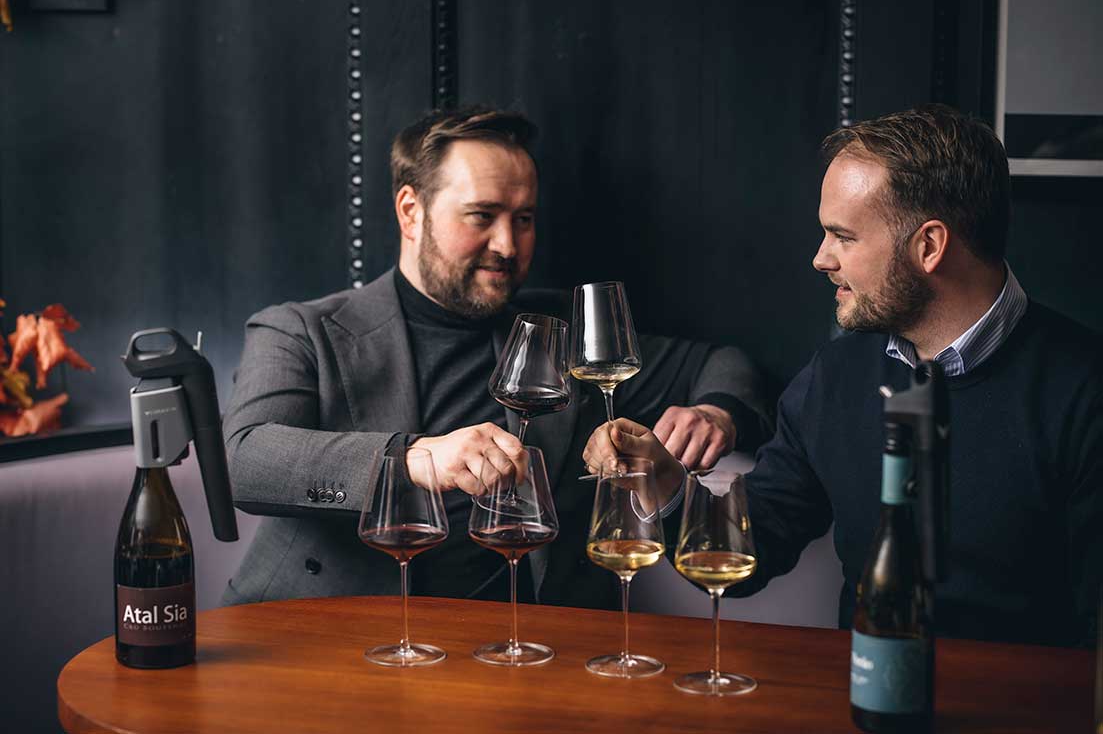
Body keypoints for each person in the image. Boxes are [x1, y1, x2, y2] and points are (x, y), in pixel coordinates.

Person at [585, 105, 1102, 646]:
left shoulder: (1086, 392)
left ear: (929, 246)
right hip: (863, 701)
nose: (820, 259)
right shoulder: (835, 375)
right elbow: (751, 551)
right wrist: (663, 479)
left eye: (843, 237)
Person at [220, 106, 773, 611]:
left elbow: (723, 363)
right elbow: (245, 462)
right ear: (411, 212)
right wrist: (413, 460)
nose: (508, 245)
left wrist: (716, 413)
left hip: (518, 646)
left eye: (524, 218)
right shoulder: (300, 329)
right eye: (482, 215)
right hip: (322, 631)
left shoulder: (562, 329)